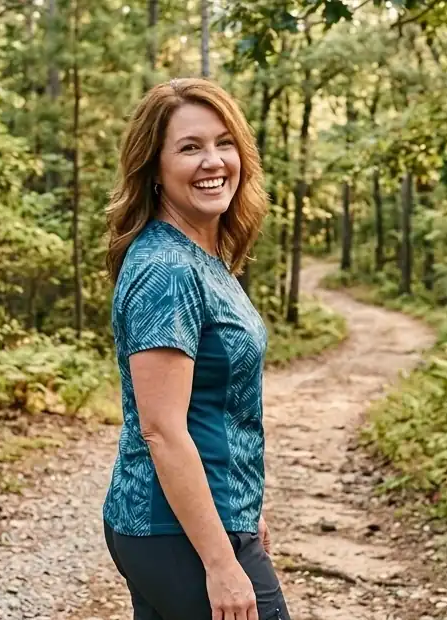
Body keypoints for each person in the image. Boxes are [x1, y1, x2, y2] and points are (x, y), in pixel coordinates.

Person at [100, 77, 289, 620]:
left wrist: (243, 506)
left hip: (191, 519)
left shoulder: (202, 259)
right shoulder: (168, 269)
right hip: (173, 531)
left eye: (224, 142)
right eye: (189, 147)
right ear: (153, 169)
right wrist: (221, 559)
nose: (213, 161)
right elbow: (161, 428)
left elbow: (215, 406)